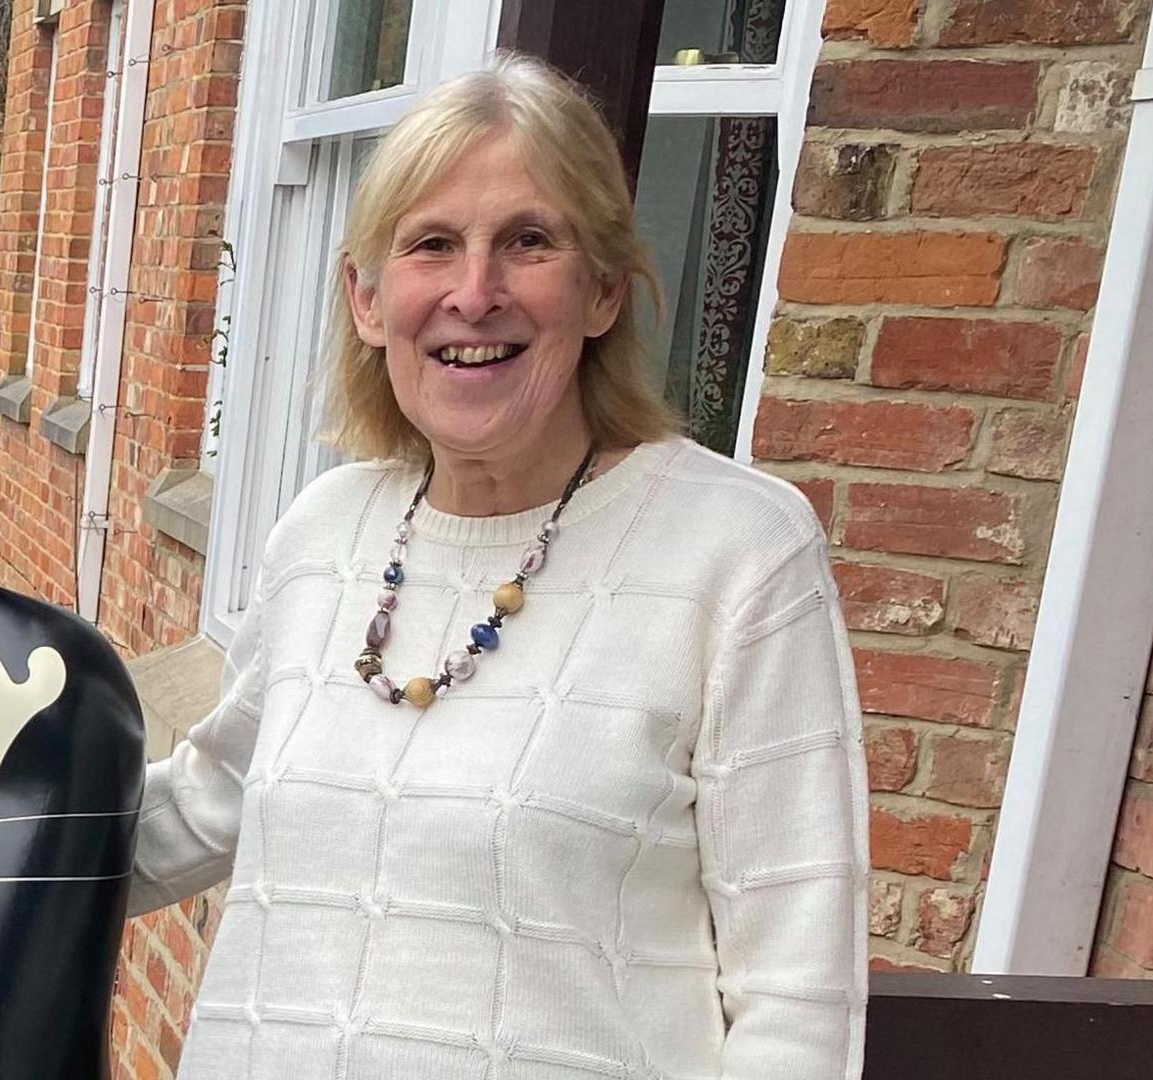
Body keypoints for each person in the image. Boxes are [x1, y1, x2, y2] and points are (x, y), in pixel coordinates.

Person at [127, 51, 868, 1079]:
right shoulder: (324, 531)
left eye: (528, 242)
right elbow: (212, 803)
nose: (475, 294)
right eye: (432, 245)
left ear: (603, 288)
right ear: (368, 300)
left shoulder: (738, 552)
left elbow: (797, 990)